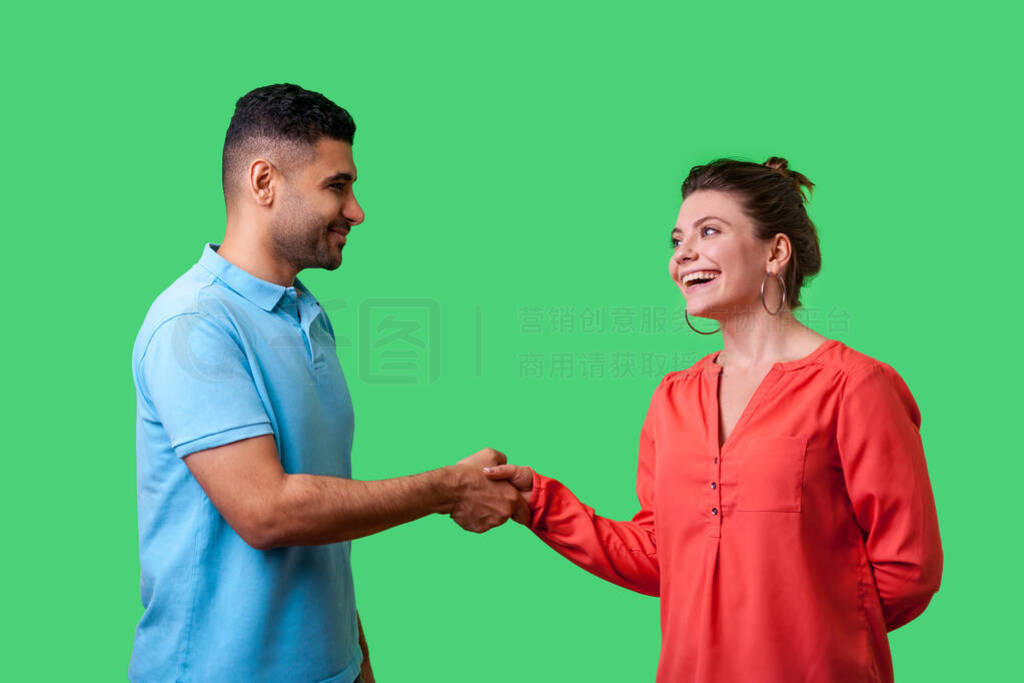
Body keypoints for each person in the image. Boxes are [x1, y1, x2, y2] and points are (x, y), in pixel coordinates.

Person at [483, 157, 943, 682]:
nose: (685, 255)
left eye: (709, 232)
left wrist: (810, 635)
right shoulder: (672, 399)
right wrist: (537, 502)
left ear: (775, 252)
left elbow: (909, 570)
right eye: (677, 241)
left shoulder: (855, 387)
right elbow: (660, 554)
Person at [129, 83, 526, 682]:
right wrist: (448, 489)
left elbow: (324, 513)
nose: (357, 210)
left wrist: (356, 658)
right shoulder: (194, 325)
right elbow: (268, 513)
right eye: (336, 185)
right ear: (264, 183)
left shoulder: (306, 316)